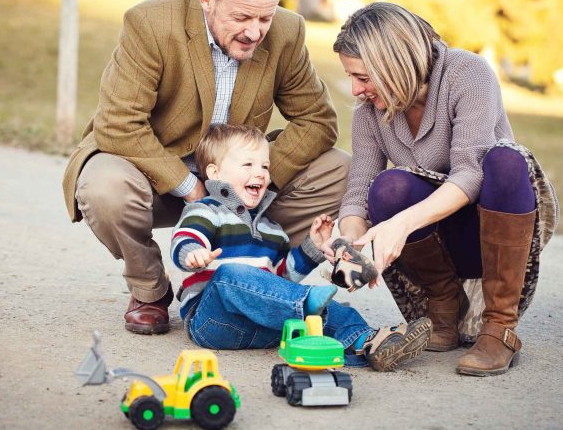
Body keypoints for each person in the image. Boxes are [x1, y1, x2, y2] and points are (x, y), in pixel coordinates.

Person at [61, 0, 350, 335]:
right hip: (156, 173)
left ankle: (259, 274)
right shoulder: (151, 22)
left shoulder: (287, 31)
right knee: (103, 185)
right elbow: (118, 123)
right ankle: (149, 291)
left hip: (235, 179)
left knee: (338, 169)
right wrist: (195, 190)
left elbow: (317, 120)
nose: (254, 31)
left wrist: (254, 182)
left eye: (265, 17)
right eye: (242, 17)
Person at [330, 2, 559, 376]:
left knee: (504, 159)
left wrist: (400, 226)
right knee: (386, 187)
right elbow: (357, 193)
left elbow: (471, 173)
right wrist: (349, 242)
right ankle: (444, 306)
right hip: (437, 245)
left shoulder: (466, 73)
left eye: (363, 77)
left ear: (393, 64)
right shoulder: (368, 113)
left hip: (492, 235)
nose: (356, 90)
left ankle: (500, 327)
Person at [170, 124, 432, 371]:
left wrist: (313, 247)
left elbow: (281, 280)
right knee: (229, 275)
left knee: (310, 307)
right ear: (215, 173)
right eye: (248, 164)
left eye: (265, 165)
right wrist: (193, 252)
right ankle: (308, 304)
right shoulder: (206, 210)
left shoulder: (271, 229)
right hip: (212, 321)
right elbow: (185, 236)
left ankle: (366, 342)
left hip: (261, 324)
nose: (260, 172)